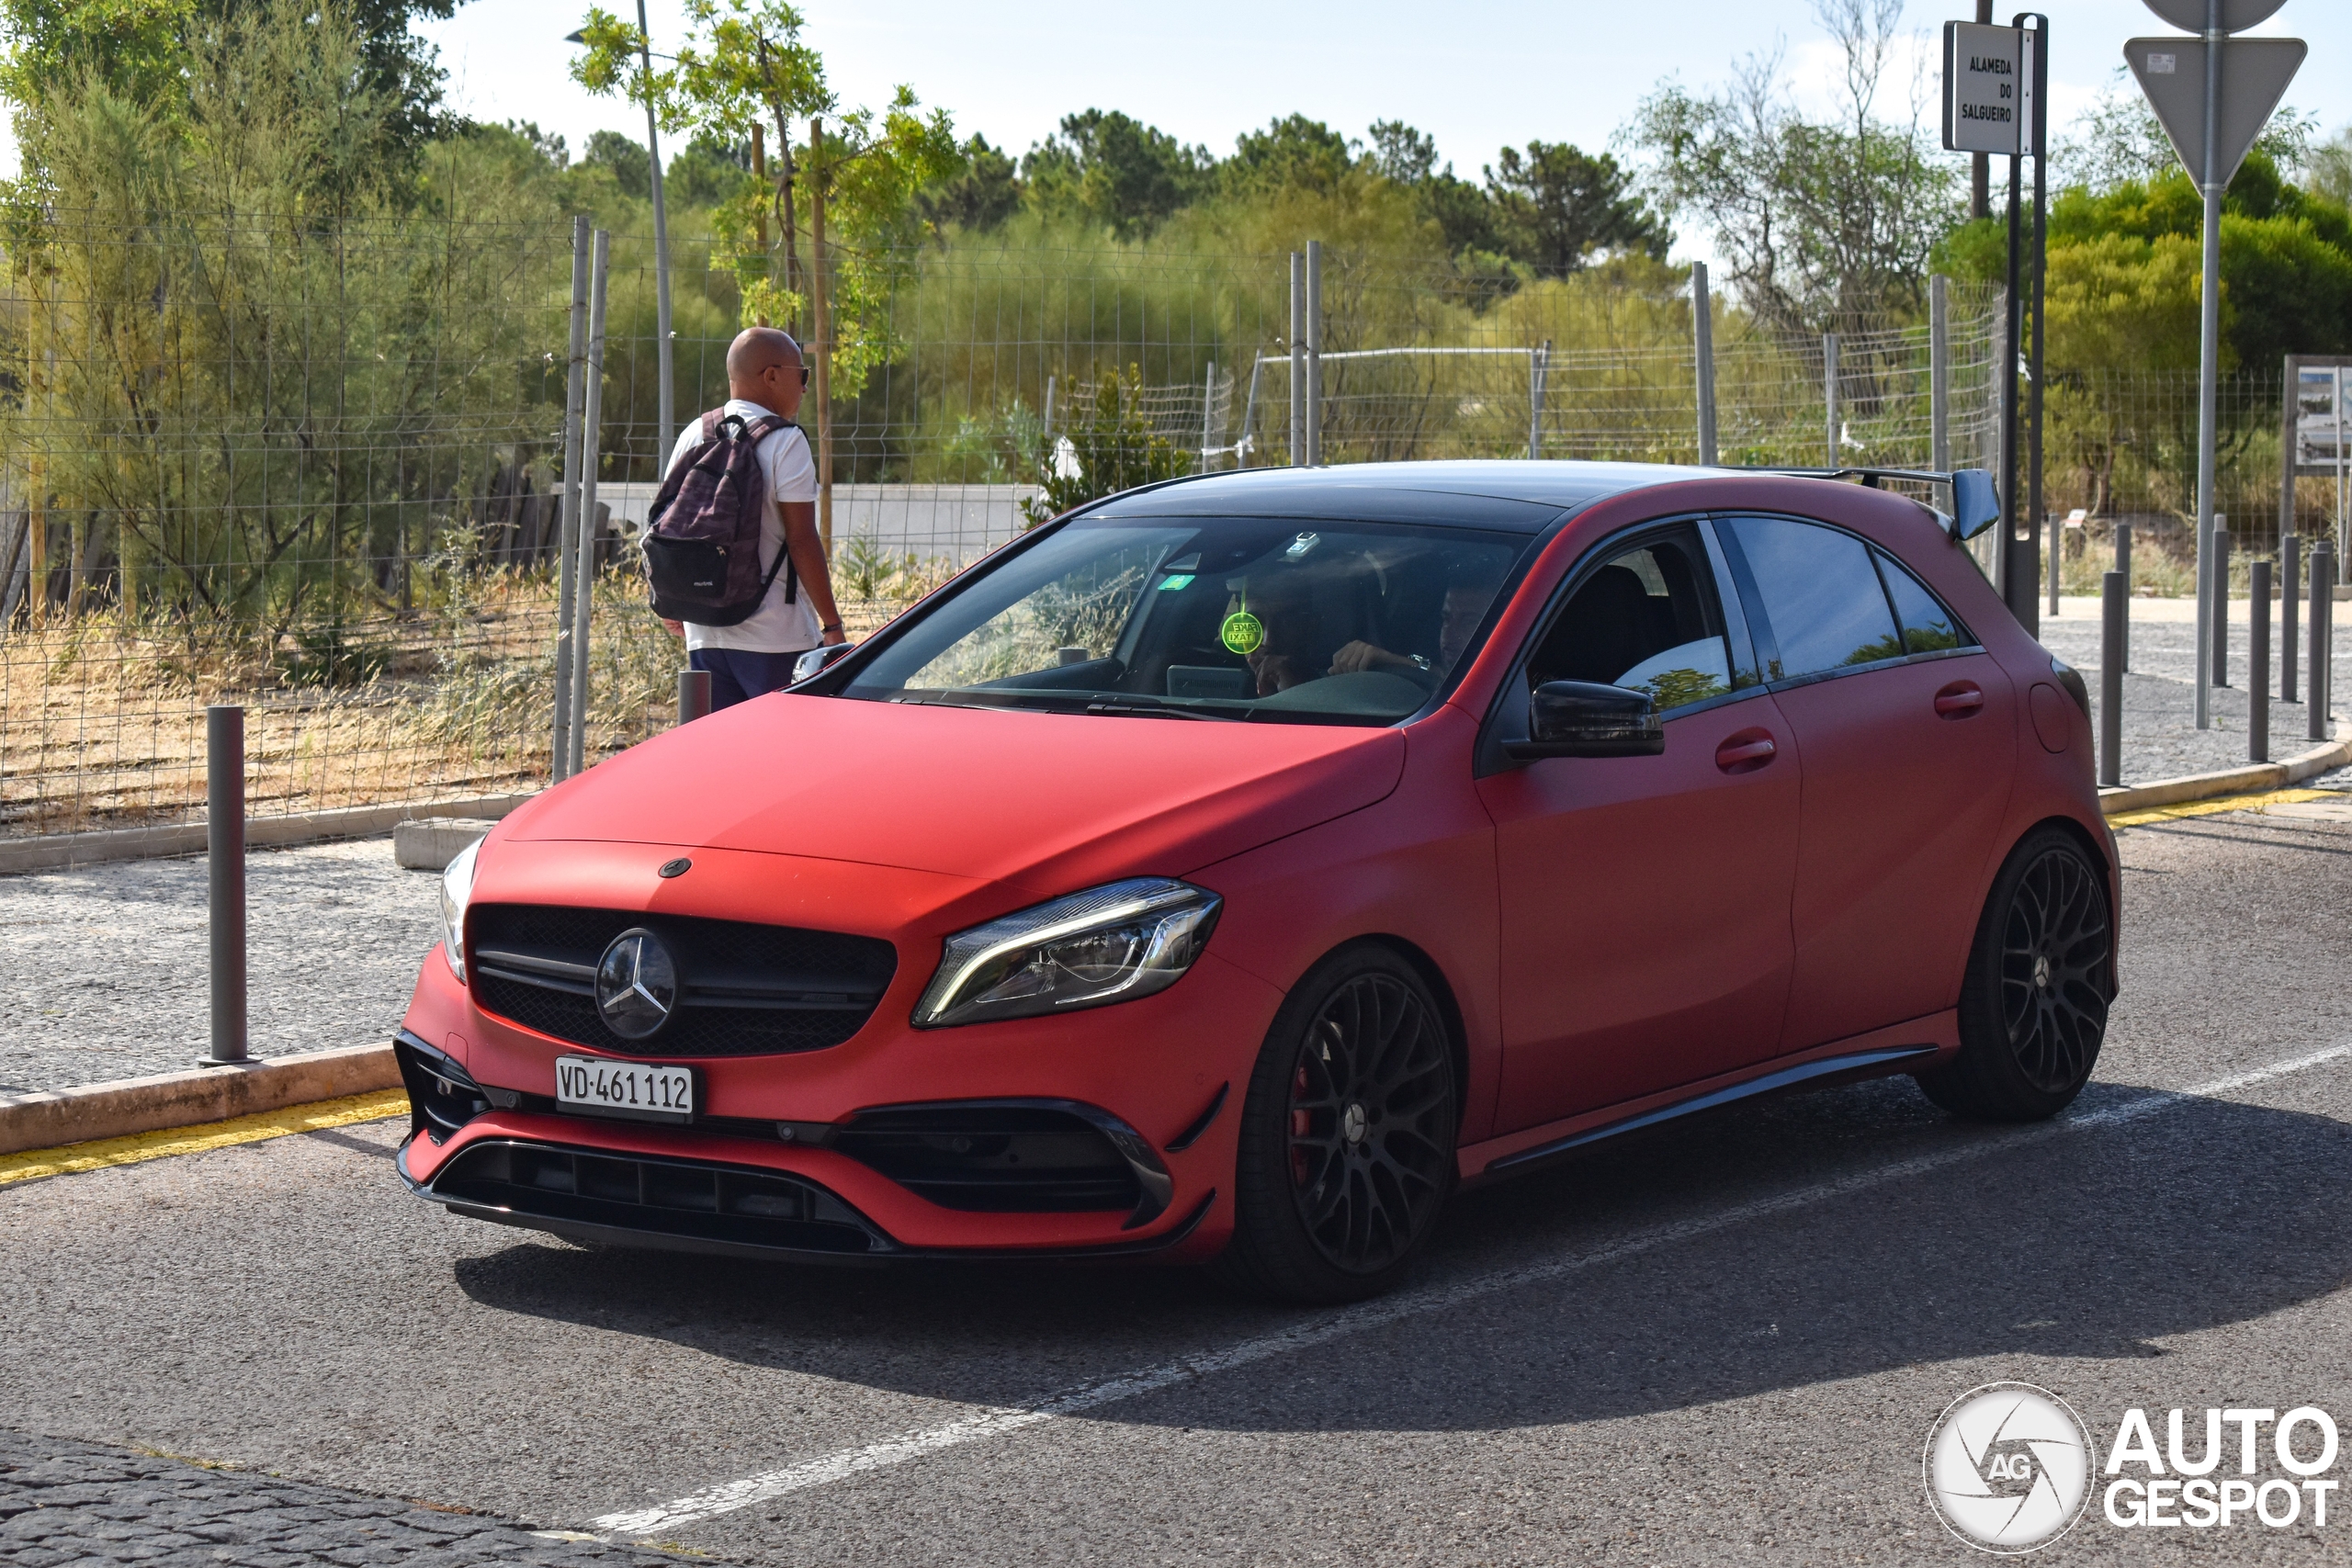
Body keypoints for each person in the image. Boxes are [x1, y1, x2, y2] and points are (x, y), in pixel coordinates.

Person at [658, 327, 848, 708]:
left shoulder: (694, 434)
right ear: (772, 375)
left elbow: (665, 524)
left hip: (705, 634)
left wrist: (670, 601)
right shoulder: (786, 440)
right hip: (776, 636)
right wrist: (832, 627)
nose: (805, 388)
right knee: (789, 756)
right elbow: (801, 539)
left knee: (724, 759)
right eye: (802, 374)